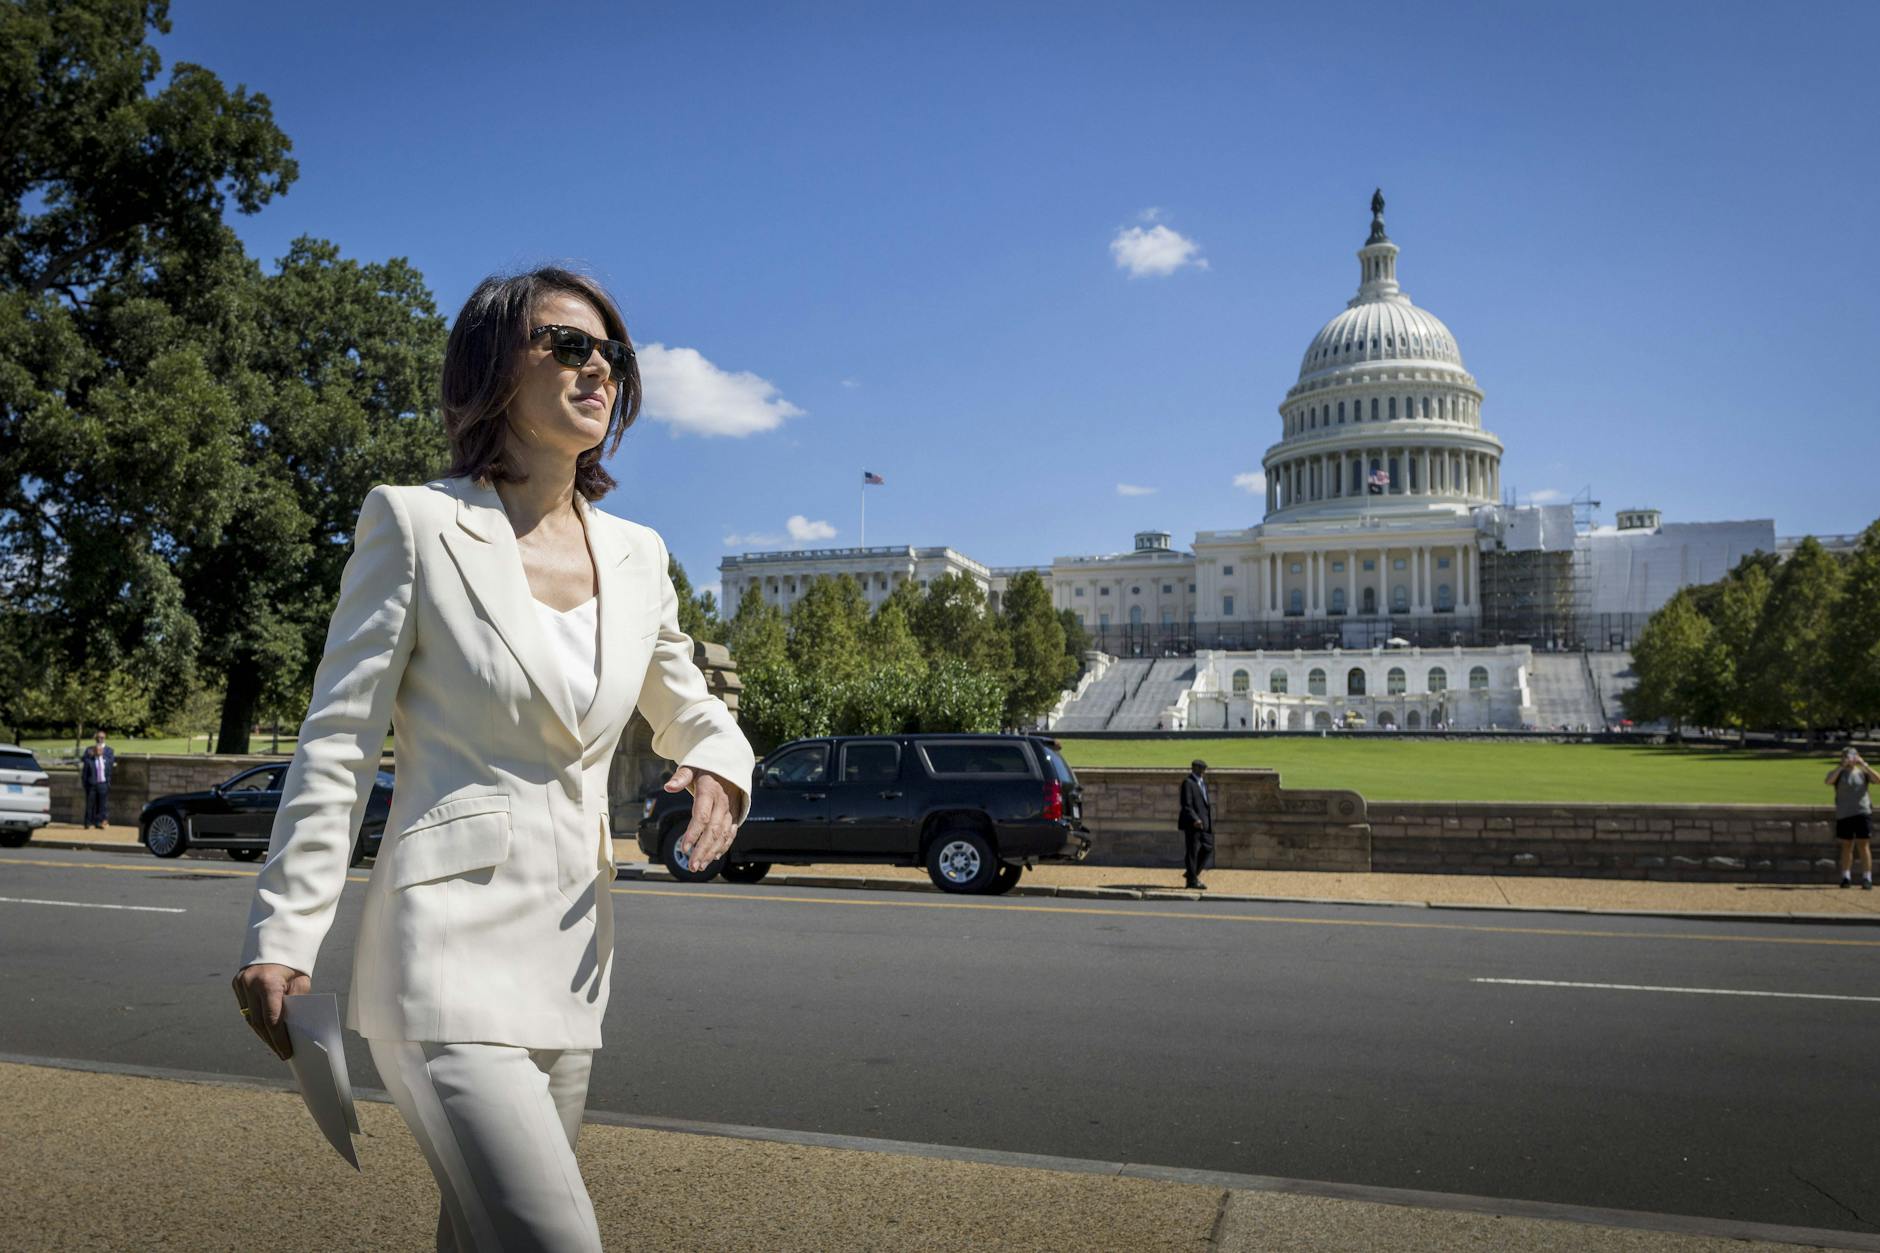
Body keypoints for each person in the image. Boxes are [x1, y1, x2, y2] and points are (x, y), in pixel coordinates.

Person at [229, 268, 755, 1251]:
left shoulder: (639, 554)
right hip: (442, 956)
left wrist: (721, 760)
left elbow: (689, 704)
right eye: (568, 344)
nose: (598, 367)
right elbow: (338, 743)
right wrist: (283, 932)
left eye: (612, 352)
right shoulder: (414, 524)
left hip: (571, 964)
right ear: (492, 367)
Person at [1828, 747, 1872, 889]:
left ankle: (1867, 877)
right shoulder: (1839, 773)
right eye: (1847, 756)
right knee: (1847, 845)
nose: (1851, 759)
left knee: (1863, 845)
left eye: (1853, 756)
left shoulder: (1863, 772)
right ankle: (1846, 876)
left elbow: (1878, 779)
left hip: (1862, 811)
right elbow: (1829, 781)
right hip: (1844, 813)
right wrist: (1841, 766)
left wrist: (1864, 765)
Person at [1178, 758, 1214, 890]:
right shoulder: (1188, 783)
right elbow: (1186, 805)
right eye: (1201, 769)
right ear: (1194, 768)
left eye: (1204, 769)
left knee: (1208, 847)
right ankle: (1192, 881)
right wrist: (1195, 819)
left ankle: (1191, 873)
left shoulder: (1202, 782)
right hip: (1193, 824)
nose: (1203, 771)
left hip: (1205, 823)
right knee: (1192, 852)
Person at [79, 730, 114, 828]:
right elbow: (84, 762)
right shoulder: (89, 750)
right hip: (92, 783)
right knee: (90, 804)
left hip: (103, 783)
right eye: (98, 737)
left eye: (102, 737)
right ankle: (88, 822)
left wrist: (108, 782)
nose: (99, 739)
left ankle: (99, 822)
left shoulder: (109, 751)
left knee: (102, 805)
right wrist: (91, 754)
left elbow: (110, 765)